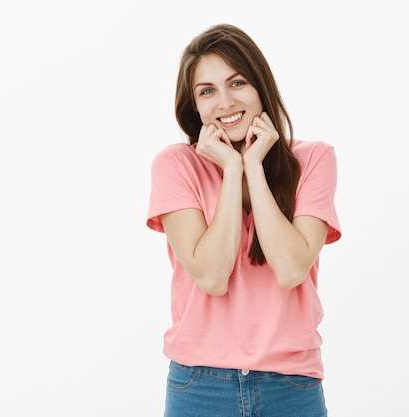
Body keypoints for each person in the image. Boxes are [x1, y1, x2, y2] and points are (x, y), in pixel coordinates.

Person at [146, 23, 341, 417]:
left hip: (291, 386)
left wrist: (254, 165)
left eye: (237, 83)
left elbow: (289, 269)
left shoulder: (314, 159)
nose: (224, 102)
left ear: (259, 85)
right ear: (194, 107)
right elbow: (212, 276)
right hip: (199, 386)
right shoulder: (175, 166)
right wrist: (231, 170)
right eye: (207, 91)